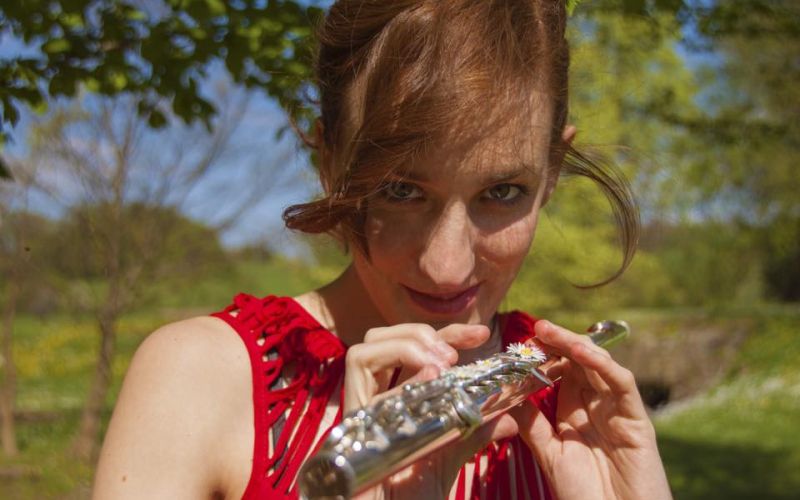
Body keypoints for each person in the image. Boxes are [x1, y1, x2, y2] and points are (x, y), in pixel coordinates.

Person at [93, 1, 672, 499]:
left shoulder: (575, 411)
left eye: (501, 192)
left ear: (552, 171)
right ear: (329, 160)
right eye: (400, 191)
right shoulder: (202, 378)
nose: (447, 269)